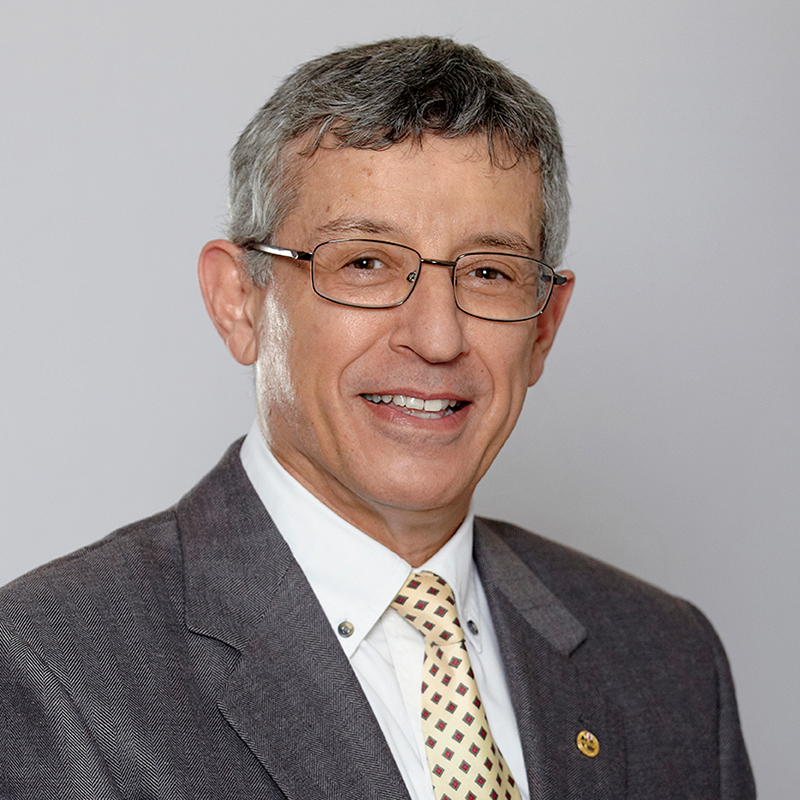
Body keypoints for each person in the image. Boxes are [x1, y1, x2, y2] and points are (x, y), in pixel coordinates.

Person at [0, 37, 754, 799]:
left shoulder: (669, 660)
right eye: (365, 262)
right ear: (239, 302)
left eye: (489, 272)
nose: (437, 337)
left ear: (544, 326)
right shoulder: (51, 669)